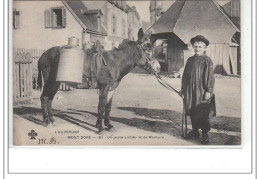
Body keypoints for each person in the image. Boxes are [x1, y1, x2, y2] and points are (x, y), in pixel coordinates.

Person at [179, 35, 216, 144]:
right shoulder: (190, 60)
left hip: (202, 91)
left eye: (200, 47)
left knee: (203, 112)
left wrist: (209, 90)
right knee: (192, 110)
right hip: (190, 90)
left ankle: (204, 133)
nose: (197, 49)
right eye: (195, 46)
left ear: (205, 48)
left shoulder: (207, 61)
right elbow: (185, 76)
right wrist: (182, 89)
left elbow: (210, 76)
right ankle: (195, 131)